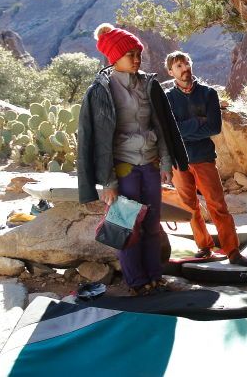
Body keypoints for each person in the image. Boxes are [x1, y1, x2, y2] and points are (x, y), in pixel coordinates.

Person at [77, 23, 189, 295]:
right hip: (123, 171)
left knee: (151, 225)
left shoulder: (149, 85)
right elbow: (96, 140)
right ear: (113, 57)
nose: (137, 59)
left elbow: (162, 126)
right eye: (130, 55)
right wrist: (107, 181)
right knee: (126, 228)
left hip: (149, 167)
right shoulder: (99, 92)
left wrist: (165, 163)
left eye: (138, 54)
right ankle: (136, 282)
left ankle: (154, 276)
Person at [164, 51, 247, 267]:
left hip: (203, 158)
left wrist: (184, 128)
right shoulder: (168, 98)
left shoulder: (208, 94)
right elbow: (170, 131)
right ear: (170, 72)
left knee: (217, 205)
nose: (184, 69)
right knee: (189, 207)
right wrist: (197, 122)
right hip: (179, 160)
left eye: (186, 63)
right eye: (178, 66)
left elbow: (214, 127)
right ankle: (204, 246)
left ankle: (232, 251)